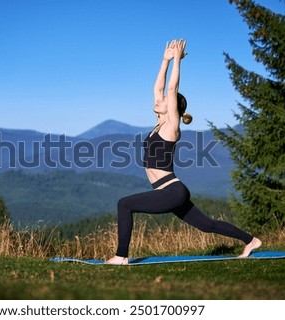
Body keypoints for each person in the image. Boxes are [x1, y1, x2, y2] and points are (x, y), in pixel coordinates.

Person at [106, 39, 261, 265]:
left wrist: (178, 60)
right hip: (169, 191)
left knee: (124, 204)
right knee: (207, 225)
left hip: (171, 191)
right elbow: (159, 88)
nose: (159, 100)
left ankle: (121, 256)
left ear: (173, 107)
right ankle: (251, 240)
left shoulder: (171, 127)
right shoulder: (158, 125)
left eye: (165, 101)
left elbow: (171, 88)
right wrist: (165, 60)